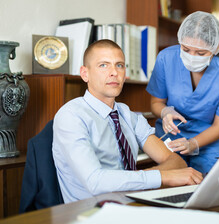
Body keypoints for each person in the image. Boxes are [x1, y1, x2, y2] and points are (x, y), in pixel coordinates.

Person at [52, 39, 203, 203]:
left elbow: (176, 162)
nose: (114, 72)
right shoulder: (71, 116)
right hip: (90, 212)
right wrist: (162, 176)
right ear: (84, 73)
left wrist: (140, 181)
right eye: (103, 65)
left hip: (132, 203)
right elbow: (95, 181)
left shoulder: (127, 114)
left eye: (119, 65)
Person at [146, 11, 219, 174]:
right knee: (169, 189)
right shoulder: (166, 58)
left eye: (201, 53)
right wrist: (165, 112)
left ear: (216, 47)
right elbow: (156, 103)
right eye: (186, 49)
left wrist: (193, 143)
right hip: (169, 140)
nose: (191, 57)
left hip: (207, 145)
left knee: (205, 192)